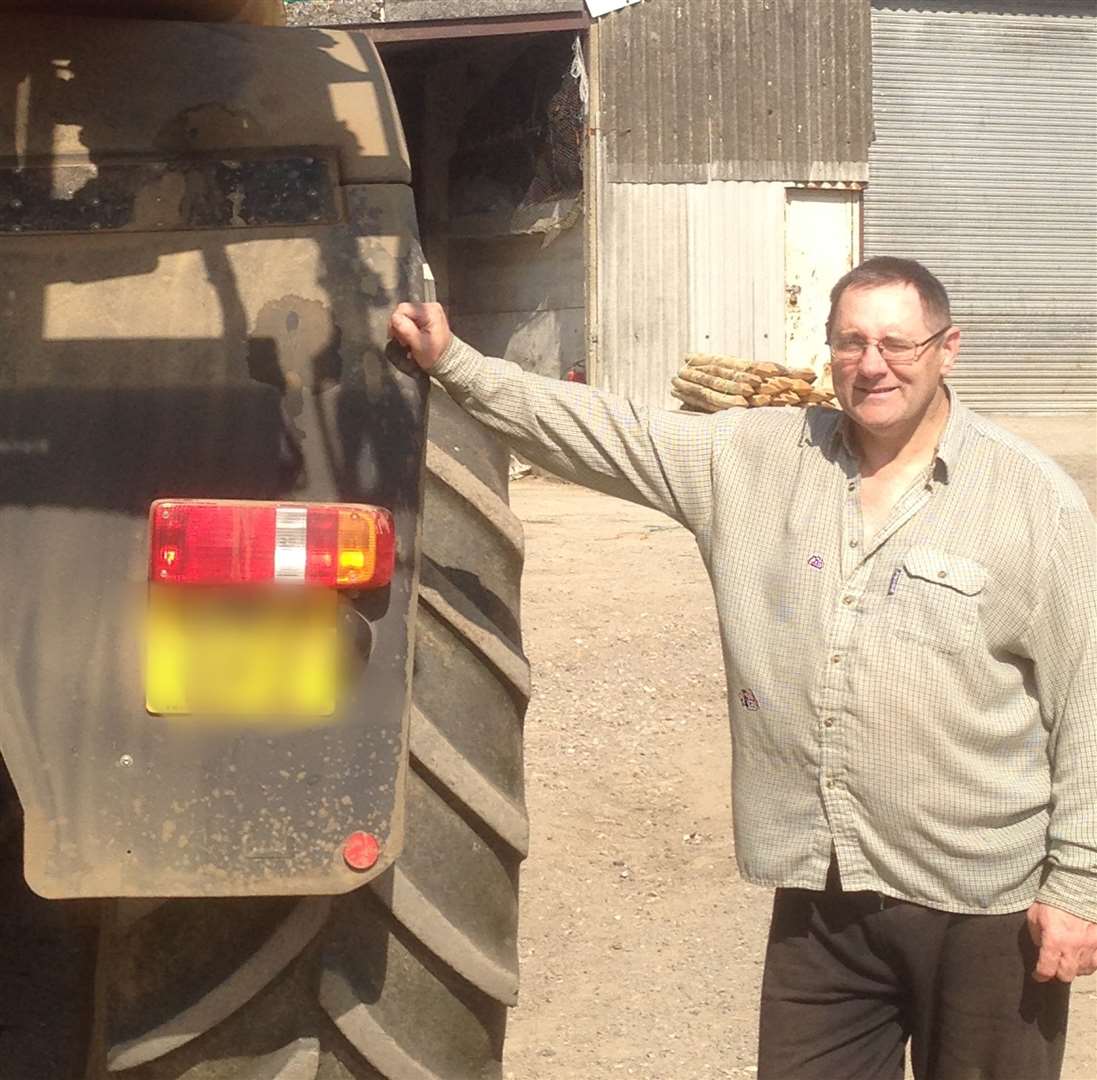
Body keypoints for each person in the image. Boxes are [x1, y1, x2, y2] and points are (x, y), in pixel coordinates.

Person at [389, 256, 1096, 1080]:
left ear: (947, 350)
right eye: (851, 342)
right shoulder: (753, 459)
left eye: (899, 344)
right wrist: (456, 365)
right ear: (827, 349)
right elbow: (605, 433)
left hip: (983, 907)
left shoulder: (1030, 501)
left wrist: (1078, 886)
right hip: (822, 896)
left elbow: (1085, 699)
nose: (873, 365)